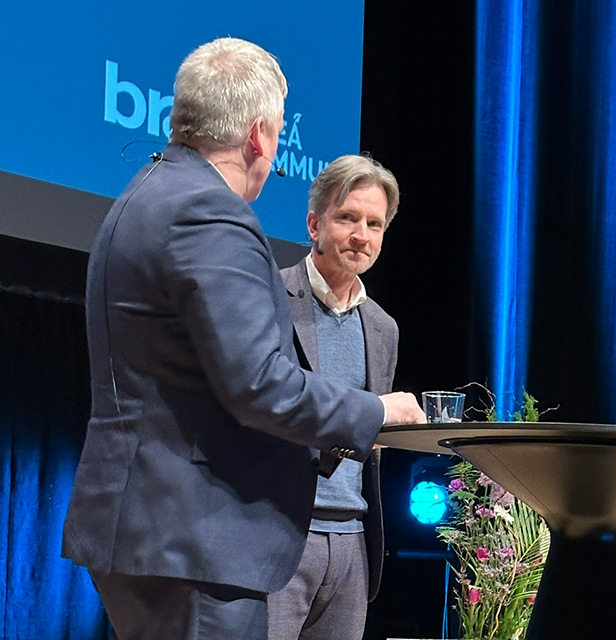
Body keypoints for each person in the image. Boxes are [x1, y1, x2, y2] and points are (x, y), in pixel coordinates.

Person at [61, 38, 424, 640]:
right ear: (258, 135)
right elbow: (258, 384)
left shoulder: (145, 193)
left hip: (151, 527)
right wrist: (376, 412)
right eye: (279, 134)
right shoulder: (211, 213)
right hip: (196, 536)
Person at [268, 155, 400, 640]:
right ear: (314, 225)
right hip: (279, 530)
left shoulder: (383, 327)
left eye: (374, 224)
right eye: (347, 218)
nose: (361, 235)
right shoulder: (270, 296)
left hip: (353, 541)